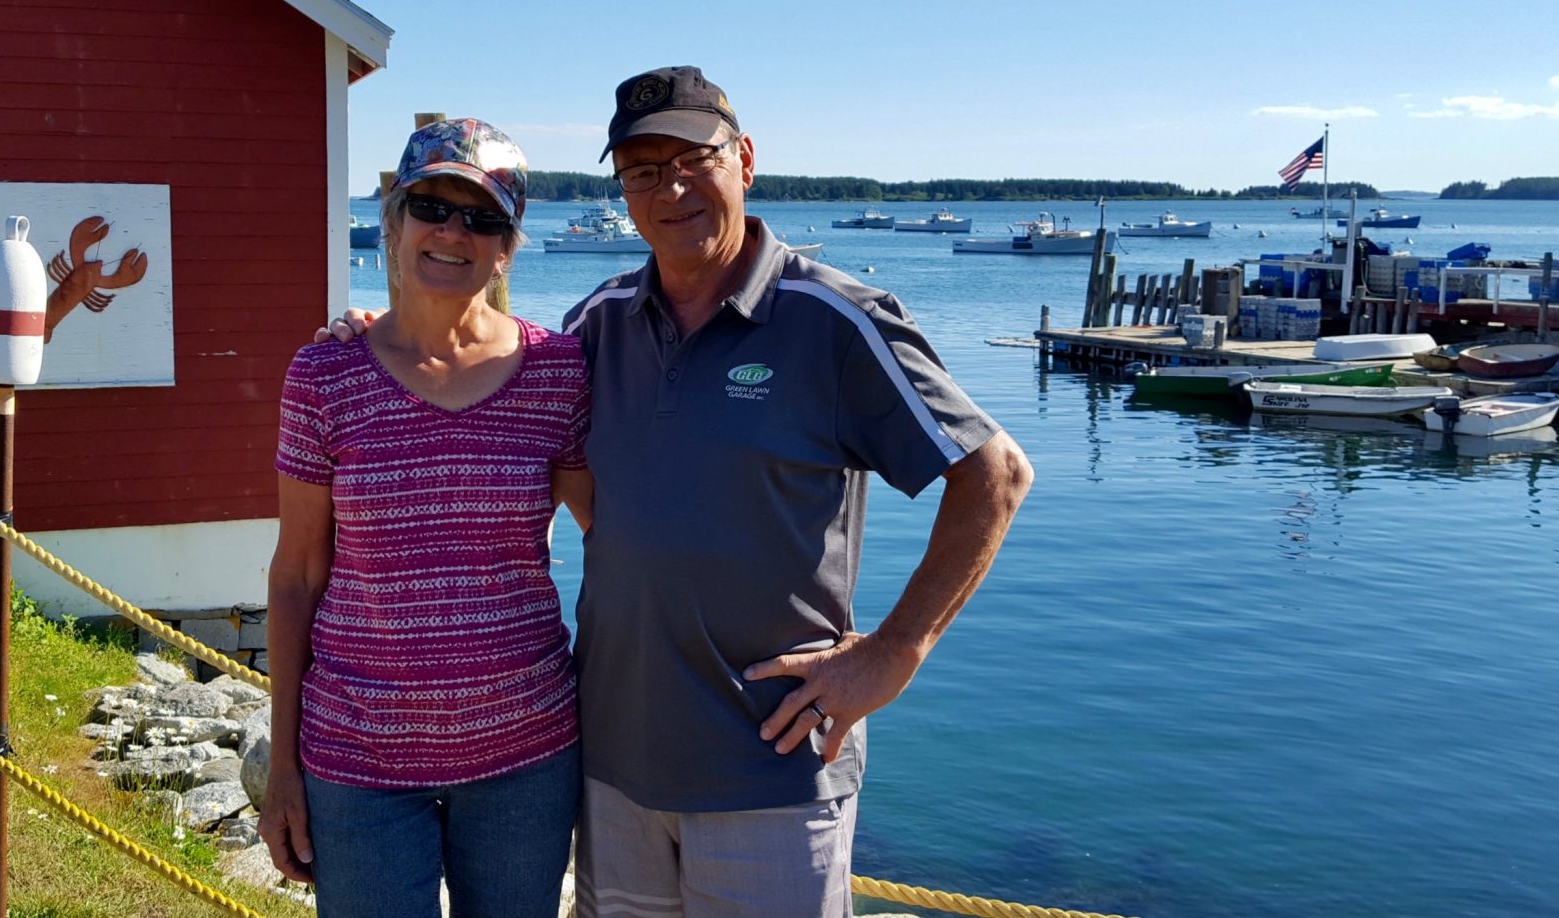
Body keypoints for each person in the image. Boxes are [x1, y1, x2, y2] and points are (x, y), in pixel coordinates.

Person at [327, 67, 1032, 917]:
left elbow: (995, 475)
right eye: (642, 170)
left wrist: (896, 650)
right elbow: (488, 371)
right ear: (623, 191)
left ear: (744, 159)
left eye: (692, 158)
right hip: (613, 771)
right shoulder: (599, 325)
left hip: (773, 771)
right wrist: (382, 331)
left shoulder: (834, 319)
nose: (671, 188)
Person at [260, 118, 592, 918]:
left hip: (525, 753)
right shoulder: (324, 374)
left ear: (508, 247)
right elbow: (298, 574)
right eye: (433, 206)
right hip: (357, 757)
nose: (453, 231)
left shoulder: (558, 372)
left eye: (482, 217)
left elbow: (619, 537)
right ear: (395, 220)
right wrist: (282, 770)